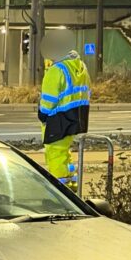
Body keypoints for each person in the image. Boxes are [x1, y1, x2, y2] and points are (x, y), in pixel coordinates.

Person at [38, 31, 91, 188]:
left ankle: (59, 192)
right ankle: (72, 186)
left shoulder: (56, 70)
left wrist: (42, 113)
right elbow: (88, 91)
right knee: (65, 154)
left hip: (58, 120)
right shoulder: (80, 66)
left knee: (55, 155)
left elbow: (48, 100)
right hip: (76, 117)